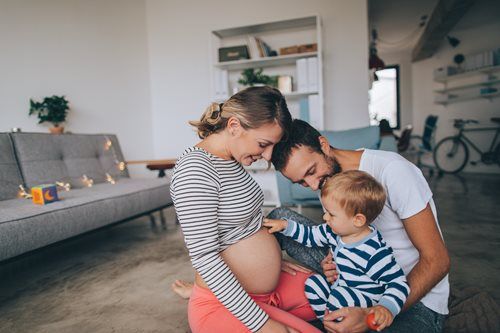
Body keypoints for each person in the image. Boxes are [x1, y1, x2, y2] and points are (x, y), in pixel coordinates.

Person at [268, 119, 450, 333]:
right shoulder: (326, 179)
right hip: (356, 279)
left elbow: (437, 260)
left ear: (324, 145)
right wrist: (333, 255)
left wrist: (372, 314)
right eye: (301, 182)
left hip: (411, 296)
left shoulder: (392, 171)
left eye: (311, 171)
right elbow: (344, 232)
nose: (313, 185)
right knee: (278, 218)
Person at [170, 87, 321, 333]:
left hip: (262, 289)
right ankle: (200, 300)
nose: (268, 155)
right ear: (234, 126)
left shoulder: (230, 158)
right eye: (263, 144)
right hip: (224, 302)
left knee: (334, 298)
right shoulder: (195, 171)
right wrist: (263, 325)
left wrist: (270, 261)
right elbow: (205, 258)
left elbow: (241, 226)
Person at [264, 170, 410, 331]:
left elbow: (398, 283)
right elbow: (310, 235)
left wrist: (386, 307)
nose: (325, 218)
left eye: (331, 214)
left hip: (365, 299)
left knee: (339, 297)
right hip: (340, 287)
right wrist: (285, 226)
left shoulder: (374, 252)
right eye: (325, 212)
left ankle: (337, 322)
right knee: (313, 284)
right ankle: (329, 323)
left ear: (358, 220)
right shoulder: (333, 231)